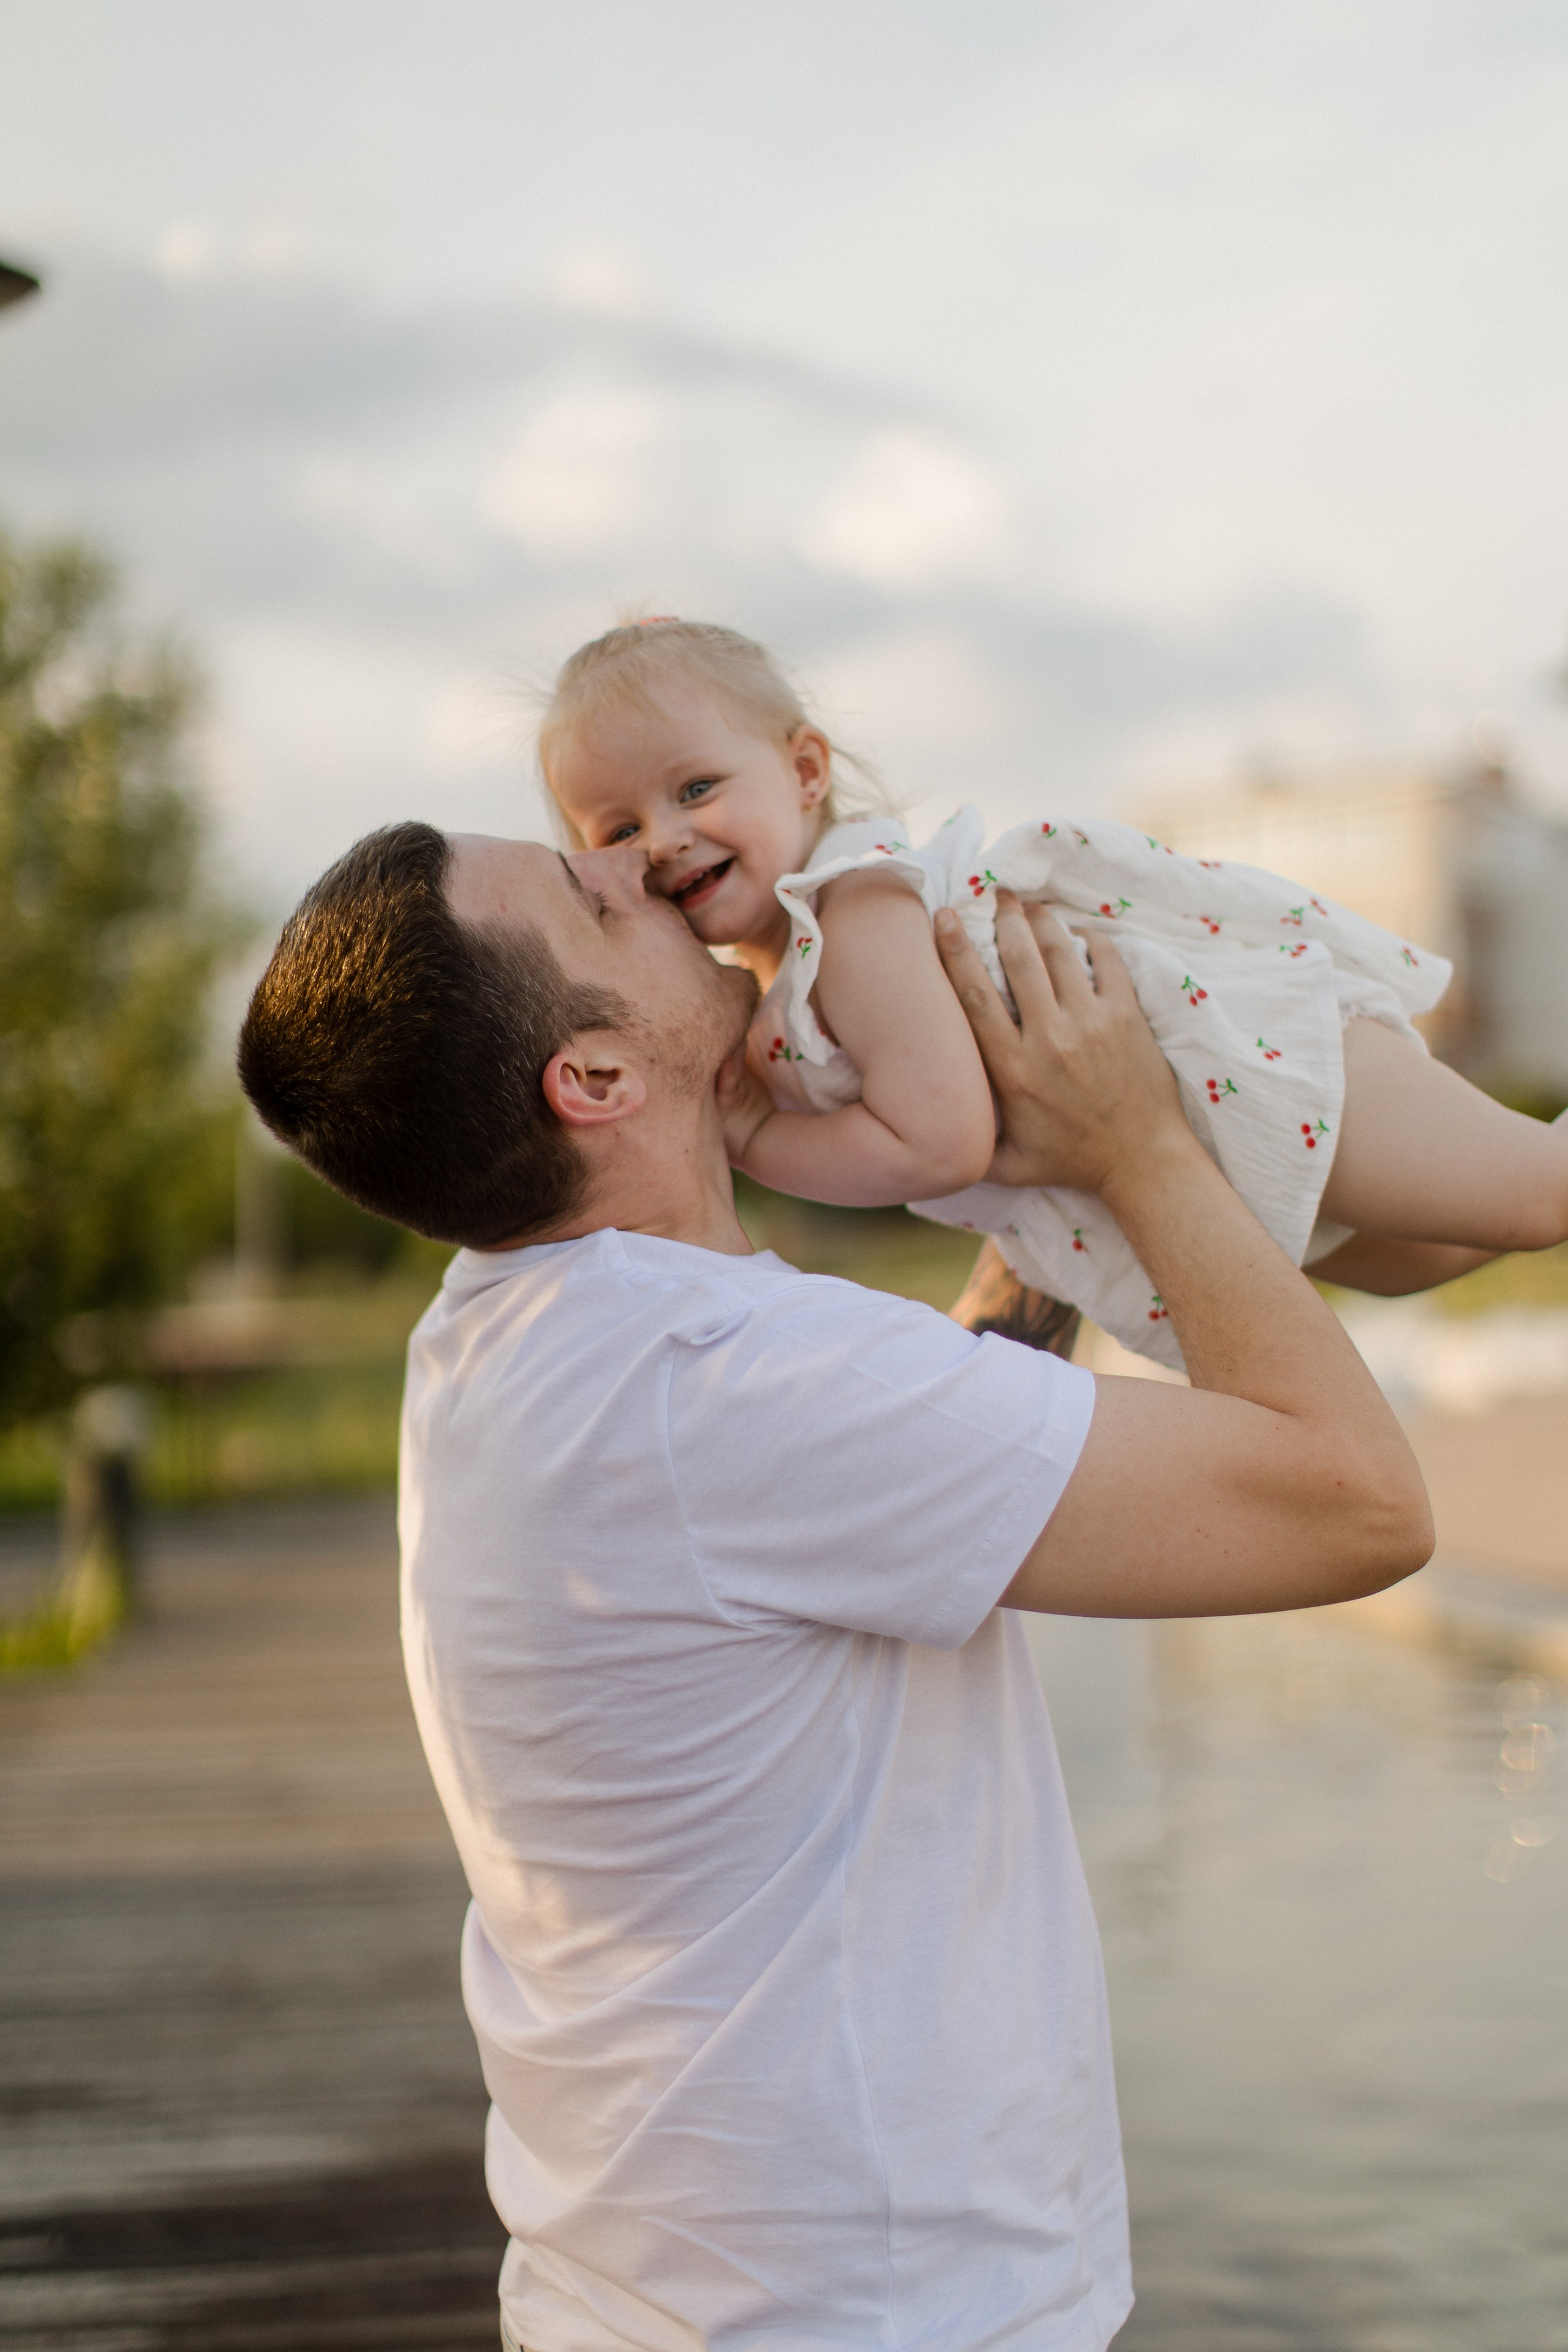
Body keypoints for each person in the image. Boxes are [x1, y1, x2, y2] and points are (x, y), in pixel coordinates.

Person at [237, 820, 1432, 2352]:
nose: (652, 878)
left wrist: (1021, 1195)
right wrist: (1133, 1143)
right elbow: (1353, 1504)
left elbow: (907, 1453)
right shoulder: (719, 1381)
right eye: (599, 901)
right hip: (866, 2311)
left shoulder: (506, 1325)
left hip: (669, 2290)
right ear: (591, 1079)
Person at [540, 619, 1568, 1367]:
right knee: (1420, 1256)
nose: (665, 837)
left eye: (695, 789)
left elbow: (942, 1138)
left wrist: (758, 1140)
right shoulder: (789, 980)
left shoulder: (851, 916)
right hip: (1210, 1136)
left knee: (1538, 1191)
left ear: (805, 769)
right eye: (619, 829)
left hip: (1232, 1062)